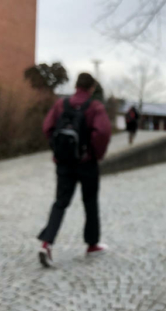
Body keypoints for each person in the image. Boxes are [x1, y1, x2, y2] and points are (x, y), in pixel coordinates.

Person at [37, 73, 112, 268]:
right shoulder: (95, 107)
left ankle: (46, 244)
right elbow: (102, 132)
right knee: (90, 202)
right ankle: (92, 244)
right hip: (87, 163)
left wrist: (58, 149)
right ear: (92, 87)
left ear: (76, 85)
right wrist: (94, 153)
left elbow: (47, 127)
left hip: (64, 163)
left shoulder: (61, 104)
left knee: (60, 202)